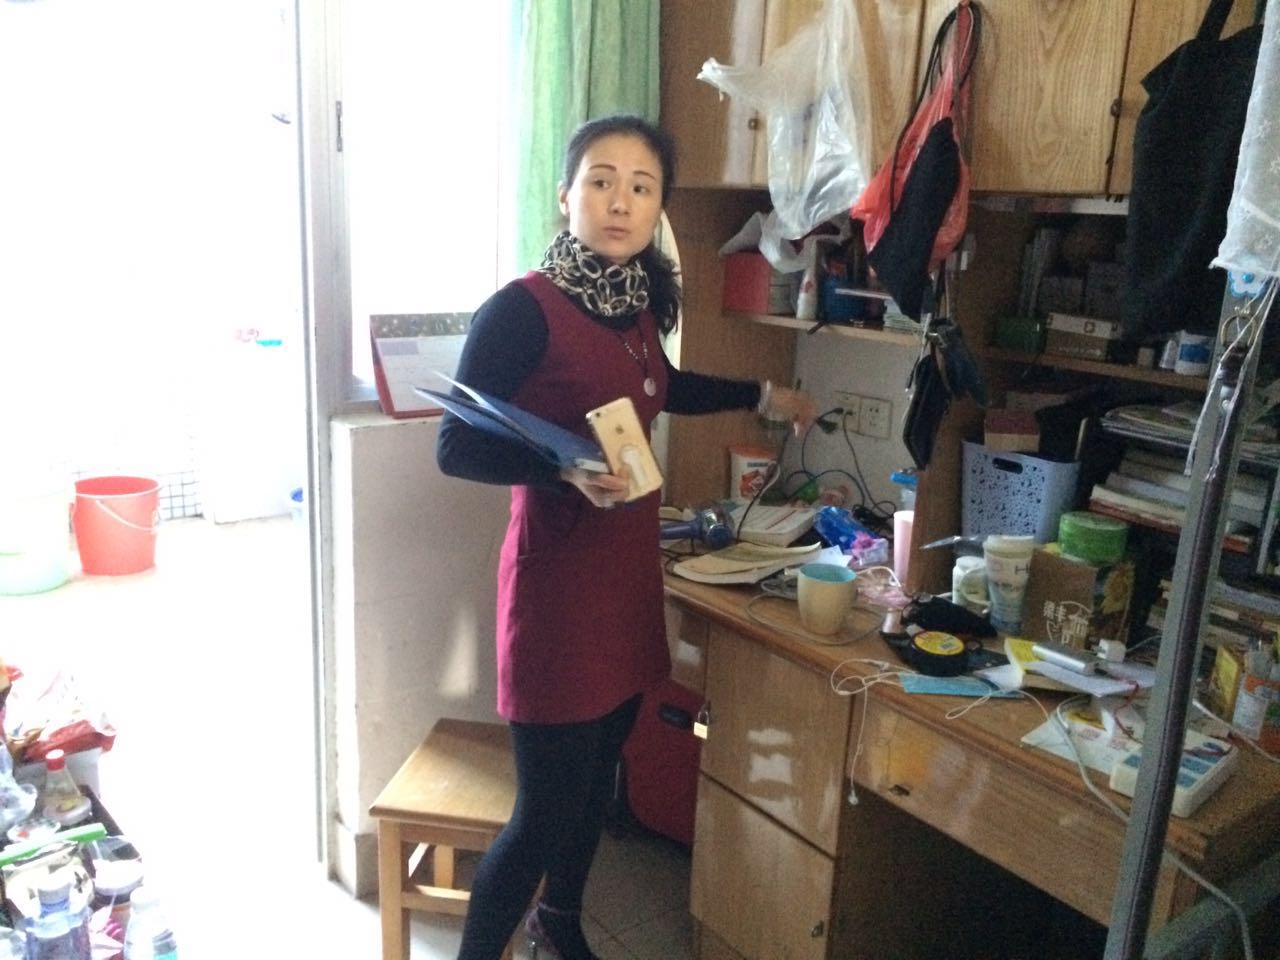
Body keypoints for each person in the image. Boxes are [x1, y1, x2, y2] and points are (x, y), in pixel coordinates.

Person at [436, 114, 815, 960]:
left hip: (626, 585)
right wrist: (561, 472)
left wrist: (763, 394)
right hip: (558, 597)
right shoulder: (521, 311)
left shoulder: (634, 305)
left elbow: (663, 386)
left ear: (657, 209)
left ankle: (558, 924)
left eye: (642, 188)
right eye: (601, 181)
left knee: (597, 785)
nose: (620, 202)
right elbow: (455, 445)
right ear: (565, 195)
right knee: (541, 816)